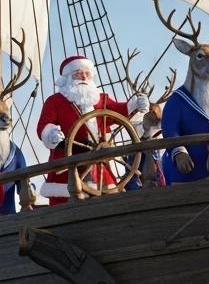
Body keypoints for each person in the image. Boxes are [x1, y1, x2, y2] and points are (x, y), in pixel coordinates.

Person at [36, 54, 148, 205]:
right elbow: (43, 126)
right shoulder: (55, 101)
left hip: (99, 164)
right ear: (66, 78)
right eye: (78, 73)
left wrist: (135, 106)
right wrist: (51, 134)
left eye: (87, 73)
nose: (83, 77)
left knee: (108, 201)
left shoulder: (101, 100)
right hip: (67, 164)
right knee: (66, 203)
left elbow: (118, 112)